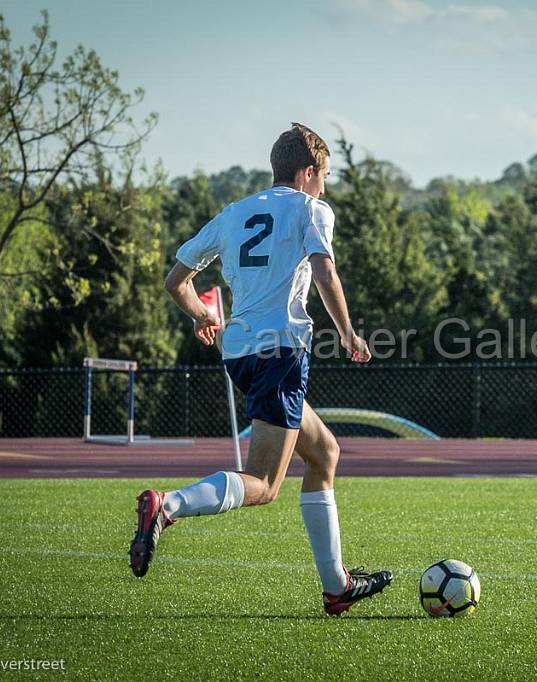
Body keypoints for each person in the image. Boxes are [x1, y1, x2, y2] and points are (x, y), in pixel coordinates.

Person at [128, 122, 393, 616]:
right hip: (281, 352)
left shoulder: (234, 213)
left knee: (325, 453)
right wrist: (348, 332)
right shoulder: (310, 208)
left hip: (242, 353)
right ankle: (168, 505)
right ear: (307, 171)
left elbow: (176, 280)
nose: (325, 186)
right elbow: (324, 270)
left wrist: (204, 315)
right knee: (265, 484)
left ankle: (337, 588)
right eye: (325, 176)